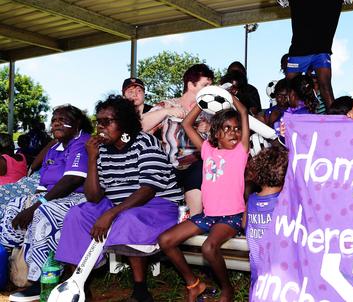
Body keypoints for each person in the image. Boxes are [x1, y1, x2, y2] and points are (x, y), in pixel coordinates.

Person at [56, 95, 183, 302]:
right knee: (77, 214)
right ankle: (79, 285)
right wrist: (92, 159)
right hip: (118, 204)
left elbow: (148, 190)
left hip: (157, 204)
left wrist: (111, 213)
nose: (100, 127)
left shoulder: (145, 142)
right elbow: (94, 196)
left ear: (123, 124)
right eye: (98, 122)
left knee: (128, 218)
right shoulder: (102, 150)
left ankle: (140, 290)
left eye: (107, 122)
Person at [158, 95, 249, 302]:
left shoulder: (241, 152)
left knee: (209, 247)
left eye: (236, 128)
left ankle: (227, 289)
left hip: (231, 217)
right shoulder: (208, 150)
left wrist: (232, 97)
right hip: (207, 216)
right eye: (227, 128)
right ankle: (194, 284)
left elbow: (243, 113)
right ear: (216, 134)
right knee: (165, 240)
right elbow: (187, 123)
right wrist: (202, 102)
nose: (233, 132)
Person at [0, 105, 91, 301]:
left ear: (77, 123)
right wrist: (30, 202)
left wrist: (36, 205)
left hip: (79, 196)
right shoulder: (55, 147)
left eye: (62, 119)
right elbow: (43, 185)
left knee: (44, 213)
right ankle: (6, 269)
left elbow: (72, 180)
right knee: (14, 205)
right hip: (51, 195)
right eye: (54, 119)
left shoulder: (81, 142)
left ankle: (38, 281)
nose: (56, 122)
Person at [144, 64, 214, 216]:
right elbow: (140, 126)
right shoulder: (168, 104)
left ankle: (194, 223)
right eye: (205, 85)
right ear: (191, 85)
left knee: (201, 168)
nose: (209, 89)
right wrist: (166, 112)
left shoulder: (209, 111)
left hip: (197, 165)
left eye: (210, 85)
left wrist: (209, 129)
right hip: (169, 165)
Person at [245, 146, 288, 295]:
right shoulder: (285, 202)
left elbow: (245, 224)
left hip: (258, 270)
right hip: (283, 274)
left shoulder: (251, 201)